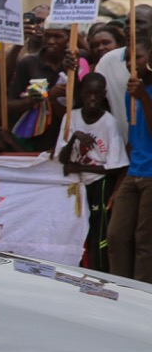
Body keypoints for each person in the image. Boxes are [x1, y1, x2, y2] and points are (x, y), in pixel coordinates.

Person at [56, 73, 128, 271]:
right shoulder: (71, 118)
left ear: (104, 95)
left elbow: (114, 167)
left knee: (99, 233)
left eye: (97, 94)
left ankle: (101, 273)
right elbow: (62, 158)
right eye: (88, 93)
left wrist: (78, 167)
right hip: (76, 187)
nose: (92, 99)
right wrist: (75, 137)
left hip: (100, 184)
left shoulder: (109, 123)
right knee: (76, 232)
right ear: (81, 94)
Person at [107, 36, 152, 281]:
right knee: (116, 235)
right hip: (134, 172)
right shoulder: (131, 94)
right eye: (127, 60)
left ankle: (142, 297)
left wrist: (144, 97)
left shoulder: (140, 92)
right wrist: (119, 183)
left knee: (145, 241)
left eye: (138, 58)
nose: (130, 65)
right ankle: (120, 285)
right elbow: (134, 138)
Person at [96, 4, 152, 144]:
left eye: (139, 22)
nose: (130, 27)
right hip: (128, 152)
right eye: (127, 23)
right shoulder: (108, 61)